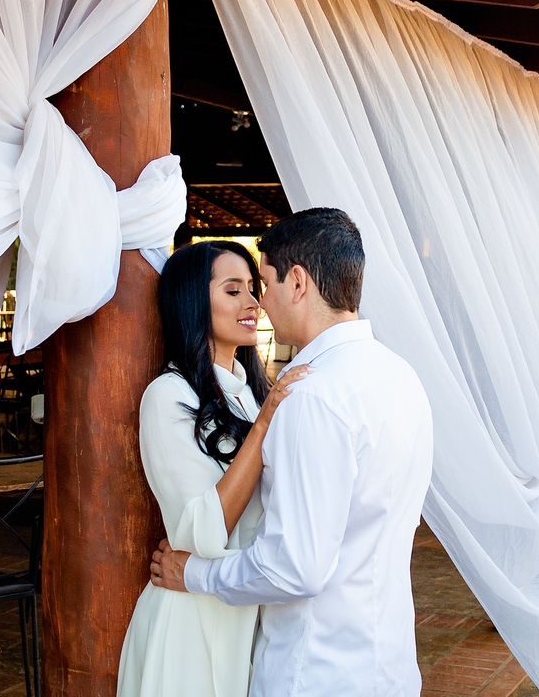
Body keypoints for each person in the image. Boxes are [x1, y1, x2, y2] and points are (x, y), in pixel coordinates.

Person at [150, 208, 434, 697]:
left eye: (264, 283)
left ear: (297, 282)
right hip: (385, 657)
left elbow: (291, 567)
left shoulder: (312, 395)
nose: (261, 302)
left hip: (316, 666)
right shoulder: (399, 375)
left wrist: (194, 573)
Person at [117, 240, 311, 697]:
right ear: (192, 302)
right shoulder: (168, 397)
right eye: (233, 290)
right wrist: (264, 426)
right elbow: (201, 535)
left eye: (253, 288)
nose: (253, 303)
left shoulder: (252, 392)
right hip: (193, 621)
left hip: (248, 610)